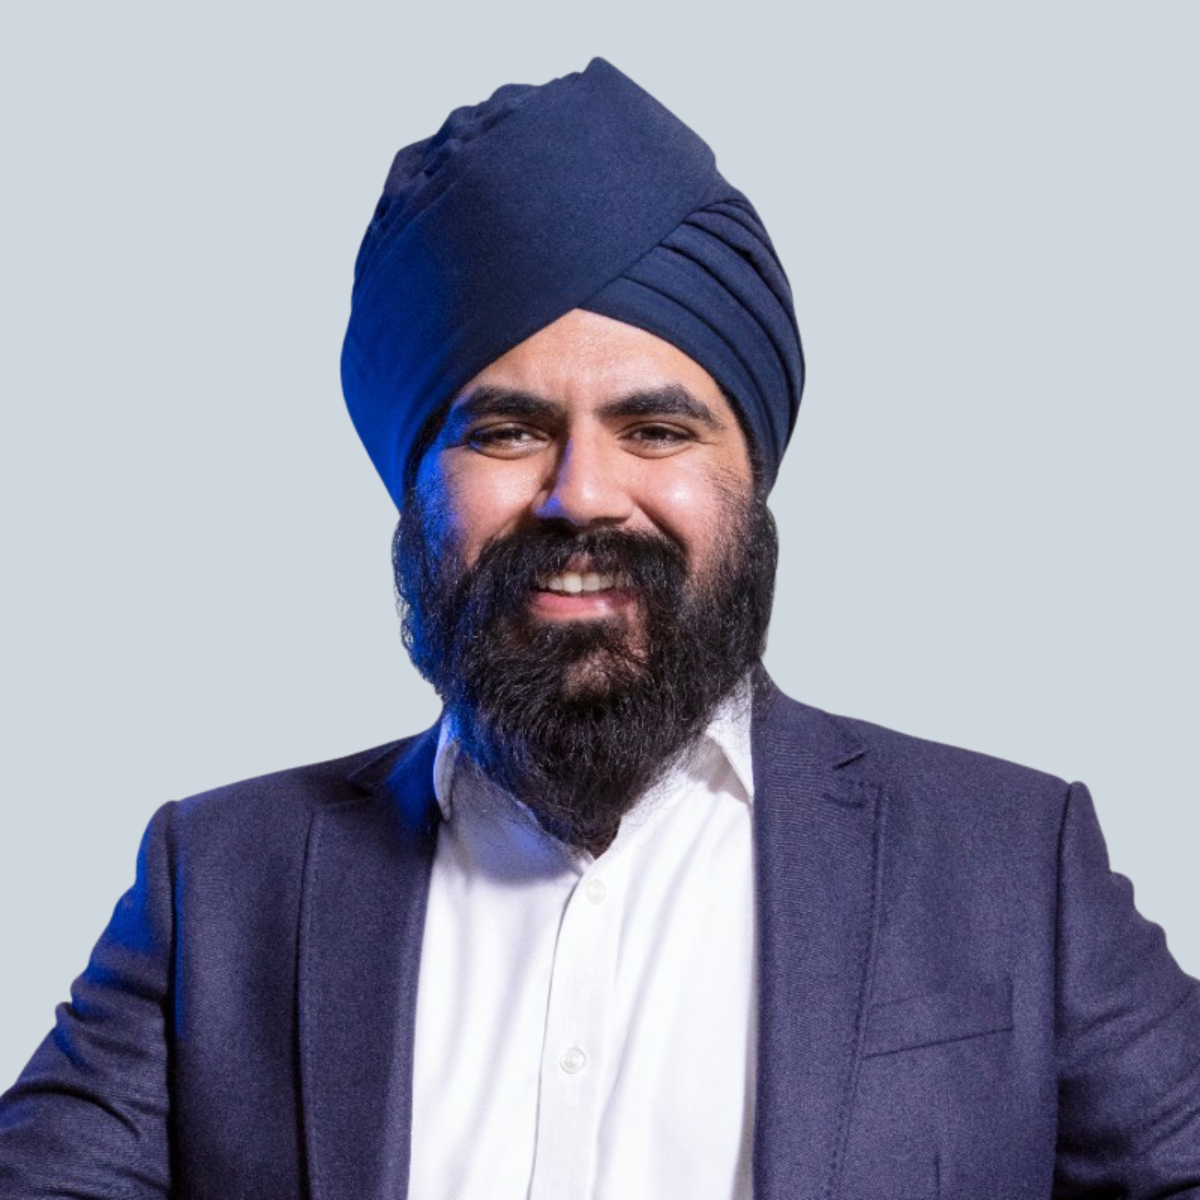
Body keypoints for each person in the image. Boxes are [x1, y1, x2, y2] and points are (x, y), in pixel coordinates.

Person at [1, 56, 1198, 1200]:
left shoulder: (1010, 863)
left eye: (658, 431)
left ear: (751, 478)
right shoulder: (220, 885)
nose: (581, 494)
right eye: (507, 431)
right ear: (415, 482)